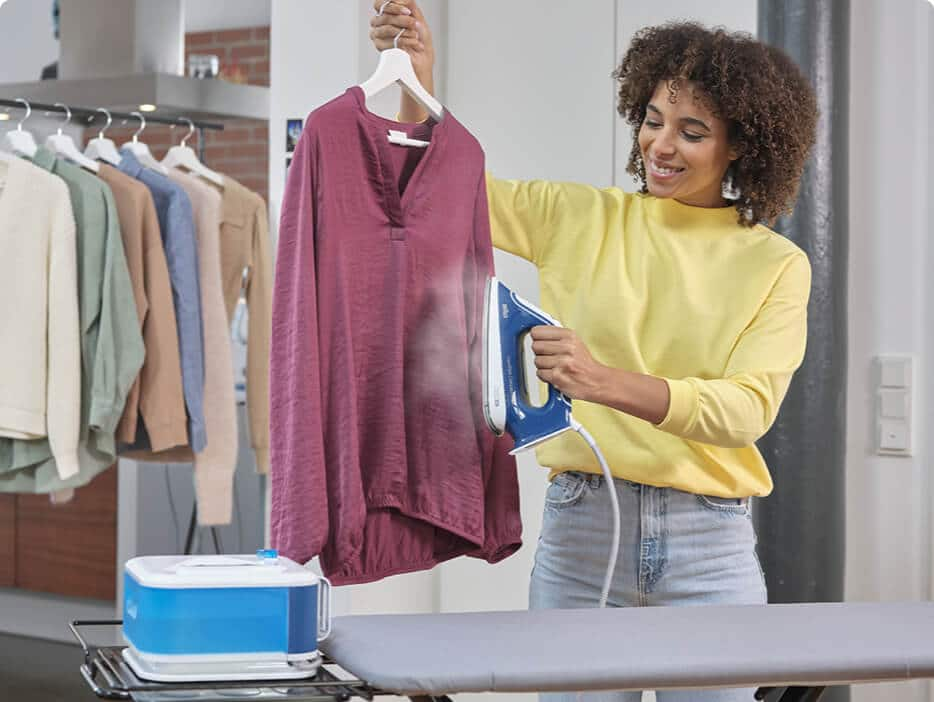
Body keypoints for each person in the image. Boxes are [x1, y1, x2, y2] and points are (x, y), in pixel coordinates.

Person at [370, 4, 817, 701]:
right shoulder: (576, 218)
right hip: (582, 536)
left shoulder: (775, 264)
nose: (660, 146)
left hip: (710, 552)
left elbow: (744, 410)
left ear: (740, 145)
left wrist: (600, 381)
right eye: (652, 120)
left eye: (692, 132)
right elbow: (436, 195)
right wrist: (418, 81)